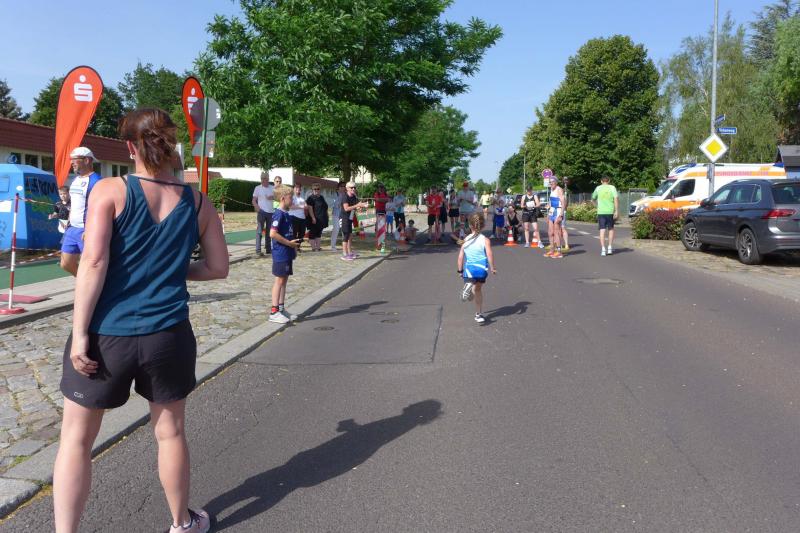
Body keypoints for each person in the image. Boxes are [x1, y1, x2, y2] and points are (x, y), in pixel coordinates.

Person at [54, 108, 228, 533]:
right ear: (170, 145)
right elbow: (218, 268)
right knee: (170, 433)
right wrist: (171, 270)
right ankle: (181, 523)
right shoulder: (198, 202)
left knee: (76, 440)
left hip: (107, 334)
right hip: (168, 335)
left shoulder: (110, 190)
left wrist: (80, 335)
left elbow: (93, 262)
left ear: (130, 147)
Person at [60, 147, 102, 276]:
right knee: (66, 263)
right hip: (72, 228)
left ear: (87, 160)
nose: (71, 162)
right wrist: (68, 221)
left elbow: (99, 208)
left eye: (74, 159)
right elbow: (74, 203)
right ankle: (84, 282)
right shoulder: (76, 180)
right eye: (70, 160)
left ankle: (94, 285)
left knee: (91, 266)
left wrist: (90, 229)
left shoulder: (97, 181)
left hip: (87, 230)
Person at [269, 186, 302, 323]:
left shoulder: (287, 214)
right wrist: (288, 243)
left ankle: (281, 309)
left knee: (284, 280)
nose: (292, 199)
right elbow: (272, 233)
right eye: (290, 197)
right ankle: (274, 312)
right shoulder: (279, 214)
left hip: (287, 252)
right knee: (279, 280)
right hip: (280, 252)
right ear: (283, 198)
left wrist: (293, 248)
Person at [457, 212, 496, 324]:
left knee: (471, 286)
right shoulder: (485, 240)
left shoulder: (466, 240)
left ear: (470, 225)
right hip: (481, 270)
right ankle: (478, 314)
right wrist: (492, 268)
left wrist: (460, 271)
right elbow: (489, 254)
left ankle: (468, 288)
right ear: (483, 226)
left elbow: (460, 257)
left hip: (469, 270)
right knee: (478, 290)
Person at [339, 182, 368, 261]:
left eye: (354, 187)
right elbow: (346, 208)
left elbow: (357, 206)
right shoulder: (345, 196)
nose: (353, 189)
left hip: (350, 218)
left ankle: (350, 252)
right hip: (344, 218)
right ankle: (344, 254)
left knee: (350, 235)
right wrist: (357, 205)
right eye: (351, 187)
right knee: (346, 236)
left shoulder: (354, 196)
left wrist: (362, 206)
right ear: (347, 188)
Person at [592, 176, 620, 256]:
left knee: (602, 230)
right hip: (610, 212)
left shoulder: (598, 188)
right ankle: (610, 247)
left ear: (601, 181)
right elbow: (616, 199)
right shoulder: (612, 188)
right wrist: (616, 211)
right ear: (609, 181)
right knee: (611, 229)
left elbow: (593, 199)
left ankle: (603, 249)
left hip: (601, 212)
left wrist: (596, 206)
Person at [252, 172, 274, 256]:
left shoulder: (272, 188)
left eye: (265, 178)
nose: (264, 180)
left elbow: (278, 198)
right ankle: (258, 250)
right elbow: (253, 200)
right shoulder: (257, 188)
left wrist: (272, 197)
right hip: (261, 212)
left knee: (269, 232)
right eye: (262, 178)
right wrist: (256, 206)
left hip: (270, 212)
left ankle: (268, 249)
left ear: (268, 179)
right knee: (259, 231)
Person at [544, 177, 565, 259]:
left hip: (558, 211)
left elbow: (563, 202)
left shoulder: (559, 189)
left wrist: (561, 215)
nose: (550, 184)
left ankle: (559, 252)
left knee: (557, 232)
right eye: (549, 182)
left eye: (552, 182)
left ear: (556, 182)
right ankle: (552, 250)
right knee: (550, 232)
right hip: (552, 211)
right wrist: (548, 213)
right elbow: (551, 202)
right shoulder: (551, 189)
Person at [305, 184, 328, 252]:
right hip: (314, 219)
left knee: (319, 233)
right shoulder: (310, 198)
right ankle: (313, 248)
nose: (316, 190)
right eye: (314, 189)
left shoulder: (321, 197)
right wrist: (313, 218)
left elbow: (325, 207)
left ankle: (318, 247)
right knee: (312, 233)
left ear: (320, 190)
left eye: (318, 189)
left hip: (321, 218)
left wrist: (326, 215)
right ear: (312, 190)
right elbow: (310, 209)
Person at [330, 182, 346, 251]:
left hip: (344, 214)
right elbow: (335, 204)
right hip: (336, 214)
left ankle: (345, 246)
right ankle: (333, 246)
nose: (343, 188)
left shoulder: (346, 194)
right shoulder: (335, 194)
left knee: (344, 230)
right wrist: (341, 199)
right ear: (338, 187)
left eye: (344, 186)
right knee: (336, 229)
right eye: (341, 186)